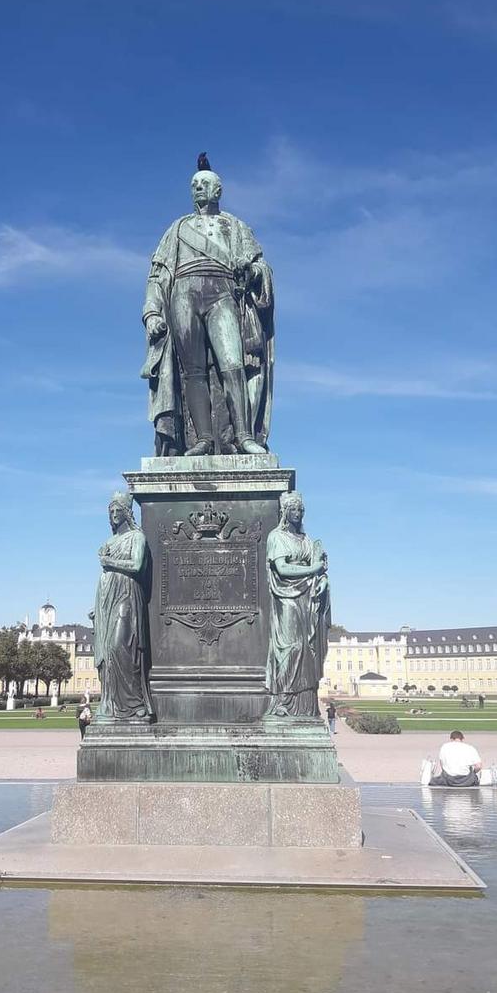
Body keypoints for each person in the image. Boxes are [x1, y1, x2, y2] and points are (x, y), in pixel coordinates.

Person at [141, 153, 274, 456]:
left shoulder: (235, 227)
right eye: (194, 184)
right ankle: (203, 439)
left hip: (222, 291)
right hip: (183, 294)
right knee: (193, 371)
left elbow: (261, 267)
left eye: (204, 184)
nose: (198, 188)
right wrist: (151, 313)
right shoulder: (176, 229)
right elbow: (158, 274)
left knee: (233, 364)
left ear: (218, 191)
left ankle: (243, 436)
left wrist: (251, 272)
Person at [264, 491, 331, 719]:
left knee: (306, 648)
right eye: (293, 509)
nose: (298, 513)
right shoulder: (277, 537)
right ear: (284, 511)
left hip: (307, 597)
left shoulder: (307, 540)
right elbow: (282, 569)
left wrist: (322, 580)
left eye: (301, 509)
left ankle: (303, 704)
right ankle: (282, 700)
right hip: (286, 597)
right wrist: (314, 570)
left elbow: (320, 568)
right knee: (290, 647)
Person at [92, 492, 153, 722]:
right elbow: (103, 574)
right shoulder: (109, 542)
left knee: (122, 647)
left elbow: (137, 565)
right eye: (111, 511)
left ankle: (135, 705)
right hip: (107, 598)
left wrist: (109, 562)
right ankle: (113, 706)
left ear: (127, 513)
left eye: (118, 510)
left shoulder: (137, 537)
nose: (115, 514)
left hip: (127, 594)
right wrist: (96, 607)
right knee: (108, 652)